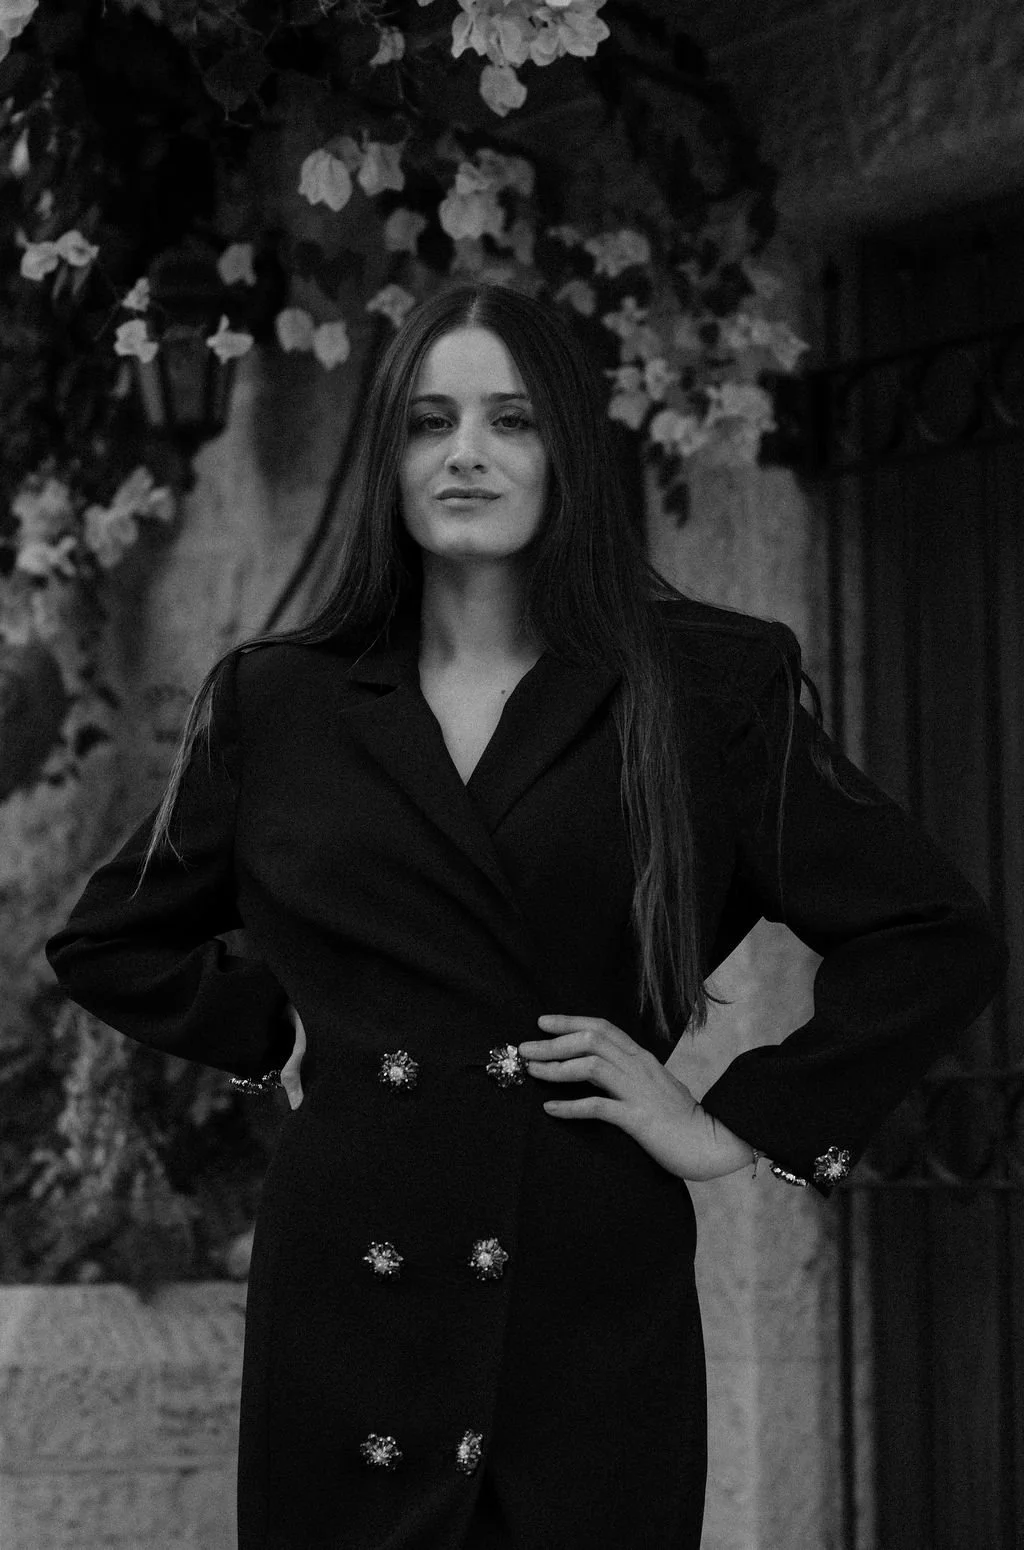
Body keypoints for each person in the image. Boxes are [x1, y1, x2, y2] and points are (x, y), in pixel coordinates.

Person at [46, 281, 1006, 1550]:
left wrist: (728, 1120)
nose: (467, 454)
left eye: (511, 418)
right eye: (429, 421)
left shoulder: (706, 686)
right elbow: (108, 936)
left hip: (585, 1282)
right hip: (350, 1289)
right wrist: (269, 1027)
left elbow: (933, 932)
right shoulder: (280, 700)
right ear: (388, 455)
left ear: (567, 448)